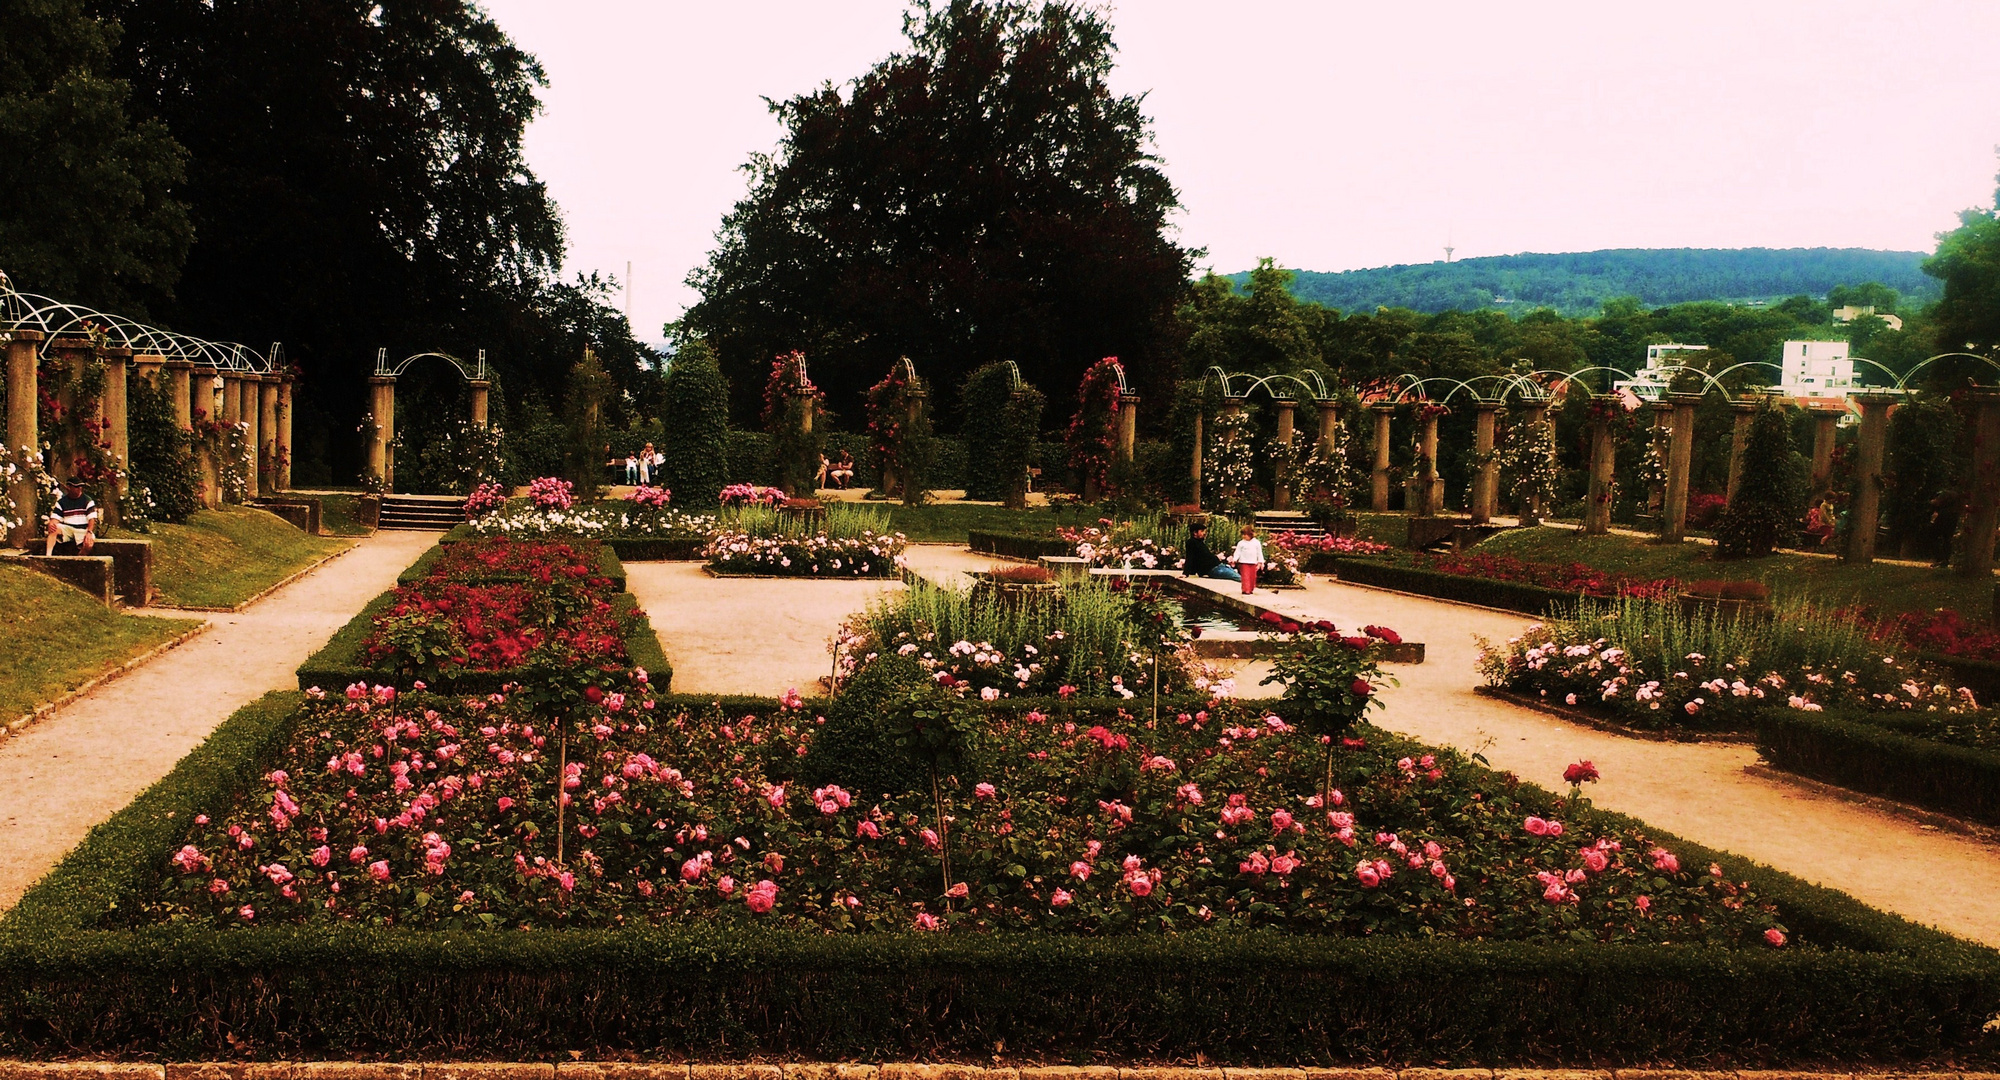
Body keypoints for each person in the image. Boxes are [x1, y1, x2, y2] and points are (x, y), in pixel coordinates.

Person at [44, 478, 100, 556]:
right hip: (68, 528)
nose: (79, 489)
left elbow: (92, 519)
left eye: (80, 486)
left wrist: (89, 532)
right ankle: (48, 555)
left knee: (89, 544)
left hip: (82, 529)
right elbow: (55, 518)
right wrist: (51, 524)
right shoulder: (62, 502)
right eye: (76, 487)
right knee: (54, 528)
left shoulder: (87, 500)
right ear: (69, 487)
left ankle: (79, 557)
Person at [1231, 524, 1264, 595]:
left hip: (1253, 562)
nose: (1244, 536)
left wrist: (1260, 561)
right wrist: (1235, 559)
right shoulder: (1241, 543)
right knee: (1245, 576)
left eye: (1245, 535)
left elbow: (1259, 553)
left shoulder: (1256, 543)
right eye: (1243, 535)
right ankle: (1246, 589)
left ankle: (1251, 588)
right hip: (1244, 562)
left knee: (1252, 576)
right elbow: (1238, 552)